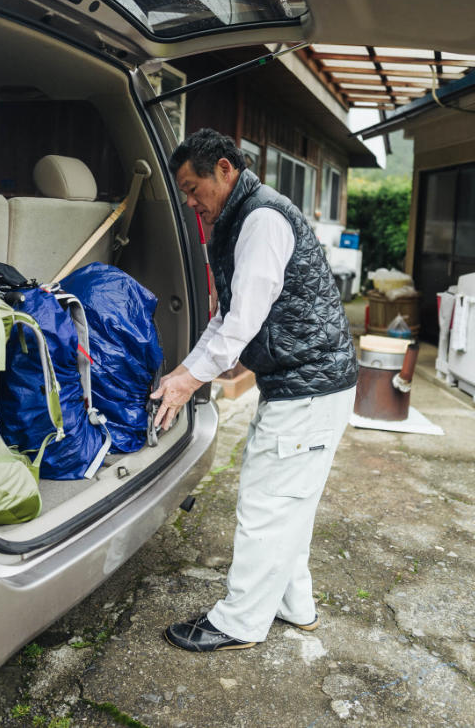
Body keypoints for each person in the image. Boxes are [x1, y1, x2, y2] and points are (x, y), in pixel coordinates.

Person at [150, 128, 357, 653]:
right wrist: (186, 370)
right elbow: (226, 316)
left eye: (195, 188)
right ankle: (295, 606)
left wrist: (187, 381)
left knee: (266, 502)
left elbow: (241, 324)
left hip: (308, 388)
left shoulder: (262, 220)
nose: (192, 201)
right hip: (308, 384)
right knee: (291, 502)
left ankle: (239, 622)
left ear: (224, 169)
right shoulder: (241, 215)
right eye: (186, 193)